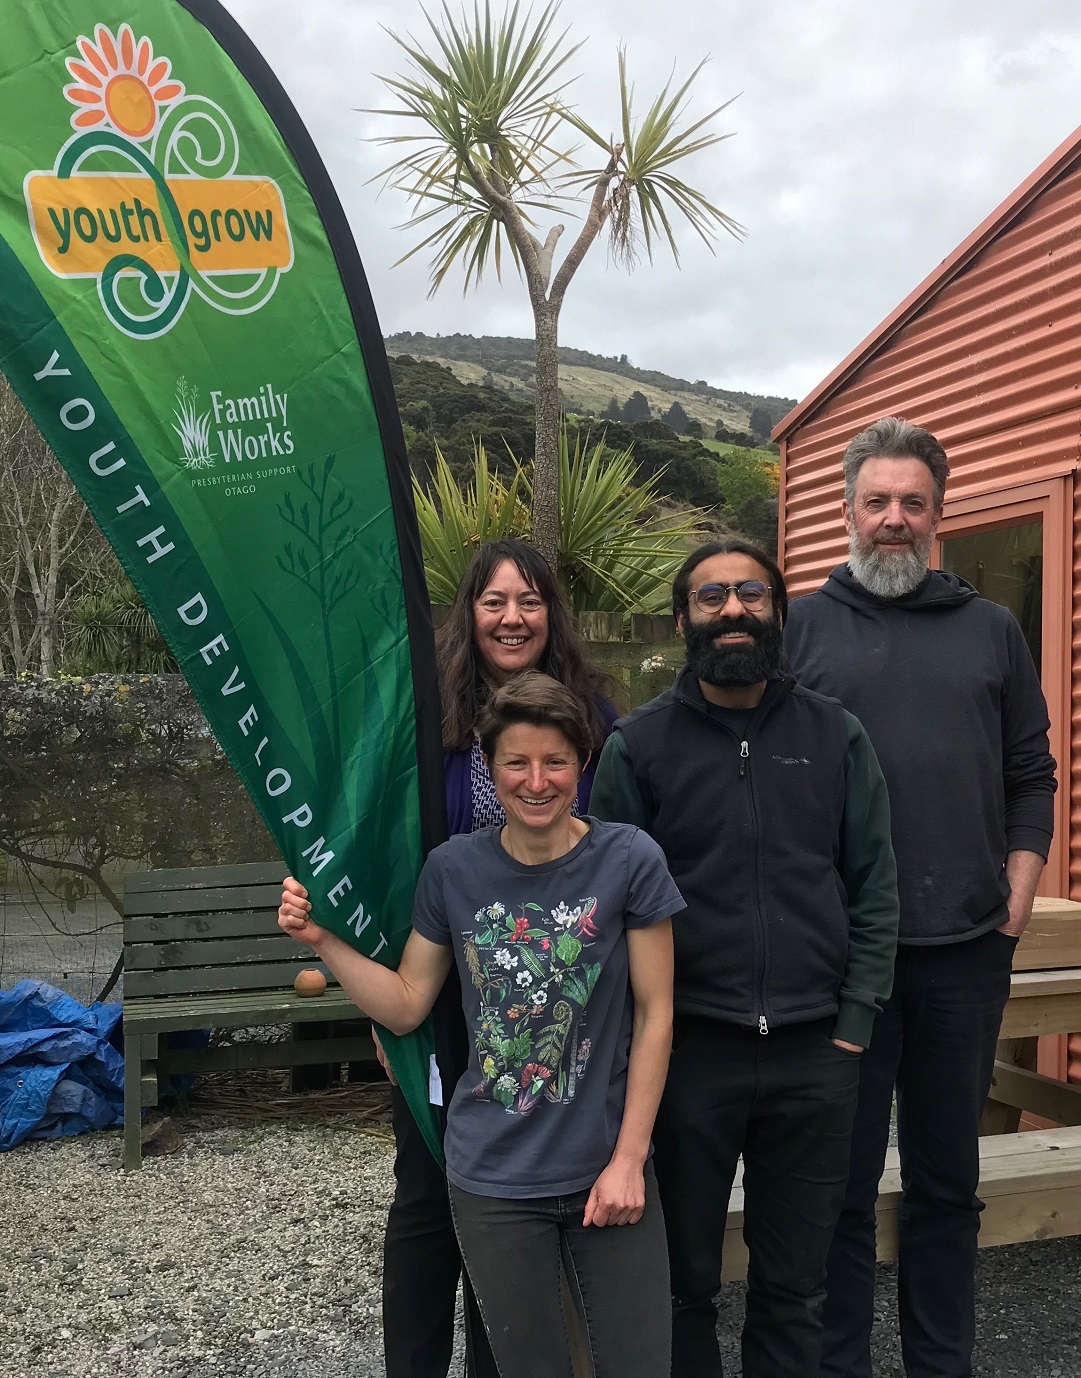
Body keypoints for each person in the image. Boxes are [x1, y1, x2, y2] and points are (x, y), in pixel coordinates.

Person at [280, 672, 683, 1378]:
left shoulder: (628, 860)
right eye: (515, 763)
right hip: (492, 1182)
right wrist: (323, 940)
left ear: (581, 763)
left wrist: (628, 1160)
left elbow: (655, 1014)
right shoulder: (452, 870)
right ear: (489, 771)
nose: (536, 781)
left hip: (605, 1171)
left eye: (554, 761)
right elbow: (408, 1001)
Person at [784, 417, 1057, 1378]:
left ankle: (941, 1365)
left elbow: (1033, 773)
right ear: (845, 508)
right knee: (840, 1188)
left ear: (937, 515)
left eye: (912, 503)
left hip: (962, 955)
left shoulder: (990, 629)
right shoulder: (798, 628)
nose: (892, 519)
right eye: (876, 501)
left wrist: (1016, 892)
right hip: (842, 964)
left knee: (947, 1184)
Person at [590, 538, 899, 1378]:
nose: (733, 609)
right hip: (690, 1054)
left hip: (814, 1055)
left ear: (778, 611)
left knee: (796, 1286)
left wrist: (854, 1017)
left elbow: (873, 882)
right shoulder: (637, 748)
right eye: (712, 596)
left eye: (752, 594)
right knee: (680, 1281)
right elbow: (606, 912)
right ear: (684, 618)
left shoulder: (835, 736)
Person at [379, 539, 618, 1378]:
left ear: (552, 613)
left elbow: (619, 854)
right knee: (425, 1194)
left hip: (552, 996)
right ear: (468, 614)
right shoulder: (423, 719)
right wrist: (385, 1007)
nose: (512, 617)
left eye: (529, 601)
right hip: (447, 988)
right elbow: (387, 854)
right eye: (493, 601)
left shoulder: (595, 718)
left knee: (509, 1198)